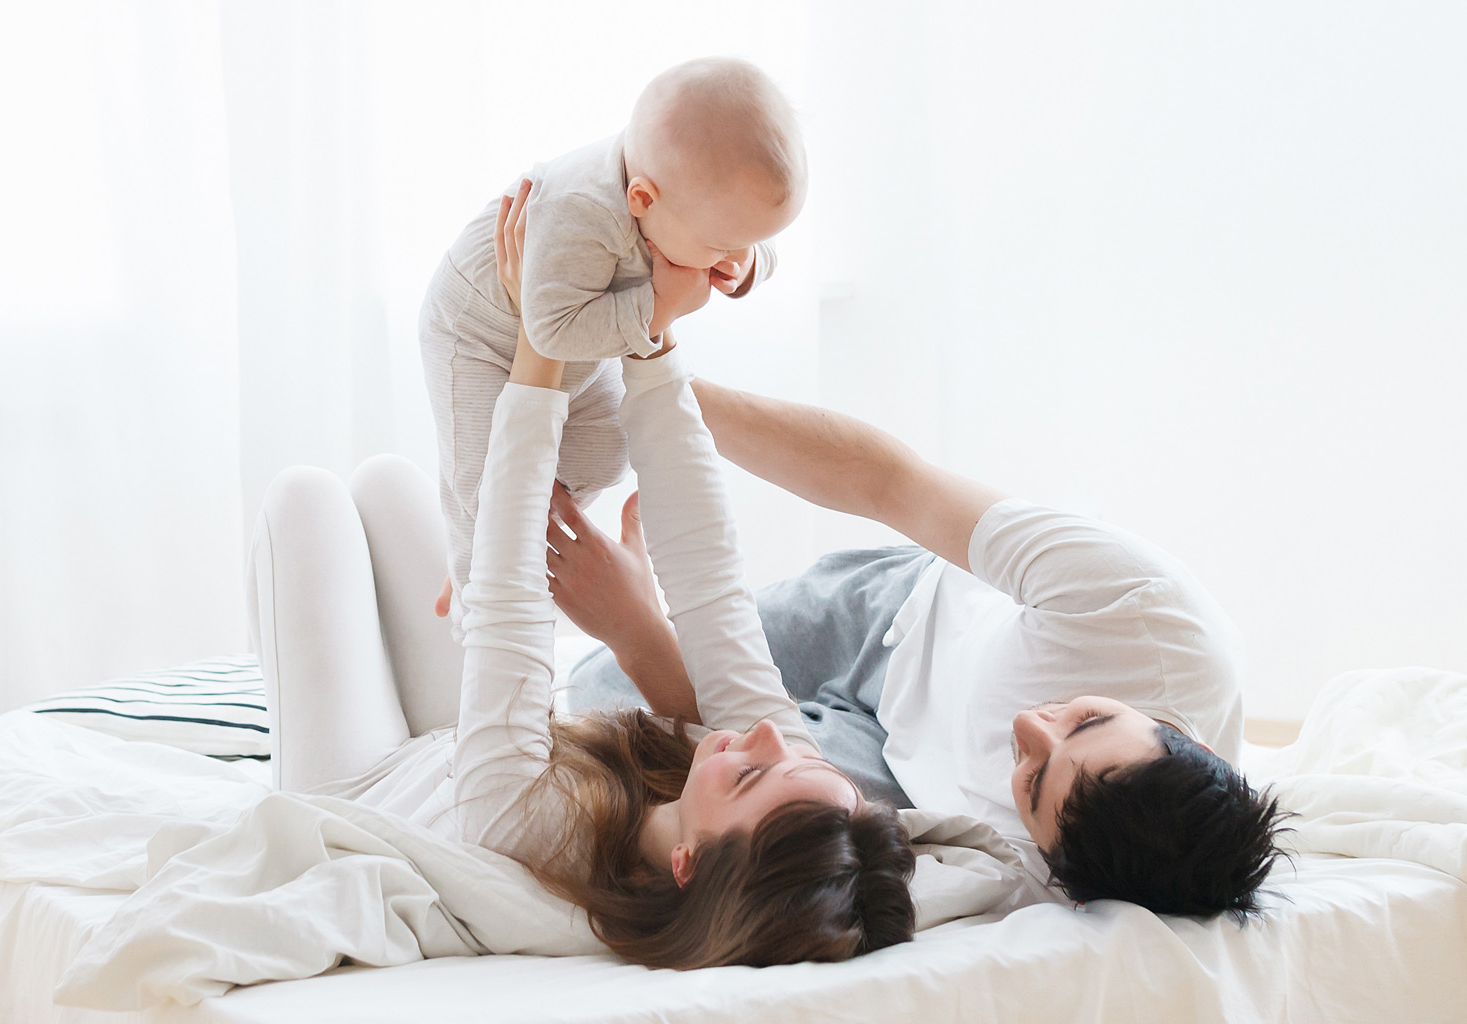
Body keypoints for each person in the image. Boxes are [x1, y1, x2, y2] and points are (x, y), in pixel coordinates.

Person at [302, 182, 913, 970]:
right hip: (445, 749)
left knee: (309, 502)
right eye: (800, 754)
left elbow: (508, 599)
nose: (766, 732)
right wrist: (650, 340)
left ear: (688, 863)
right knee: (386, 484)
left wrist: (544, 337)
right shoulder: (789, 790)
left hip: (363, 788)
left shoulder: (528, 827)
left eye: (751, 771)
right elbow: (711, 585)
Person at [554, 385, 1289, 918]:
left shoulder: (1052, 871)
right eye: (1090, 721)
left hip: (895, 774)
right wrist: (653, 390)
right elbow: (888, 483)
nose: (1031, 728)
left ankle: (641, 621)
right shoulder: (1141, 609)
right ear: (1187, 738)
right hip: (899, 617)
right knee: (592, 682)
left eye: (1033, 783)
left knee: (619, 730)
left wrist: (637, 634)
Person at [421, 56, 801, 633]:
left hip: (583, 327)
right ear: (643, 201)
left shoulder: (683, 197)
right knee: (485, 496)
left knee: (607, 448)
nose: (731, 258)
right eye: (725, 244)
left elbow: (742, 244)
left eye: (749, 242)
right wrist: (661, 306)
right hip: (477, 336)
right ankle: (482, 609)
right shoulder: (580, 211)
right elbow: (547, 331)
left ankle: (509, 541)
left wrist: (747, 264)